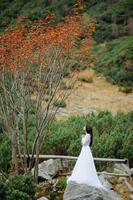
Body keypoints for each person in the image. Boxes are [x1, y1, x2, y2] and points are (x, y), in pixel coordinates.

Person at [67, 123, 105, 189]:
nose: (84, 126)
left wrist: (82, 138)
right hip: (86, 150)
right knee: (85, 163)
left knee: (83, 163)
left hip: (85, 150)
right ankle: (85, 176)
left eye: (85, 126)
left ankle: (84, 178)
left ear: (87, 128)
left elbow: (83, 143)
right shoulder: (88, 135)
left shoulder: (87, 135)